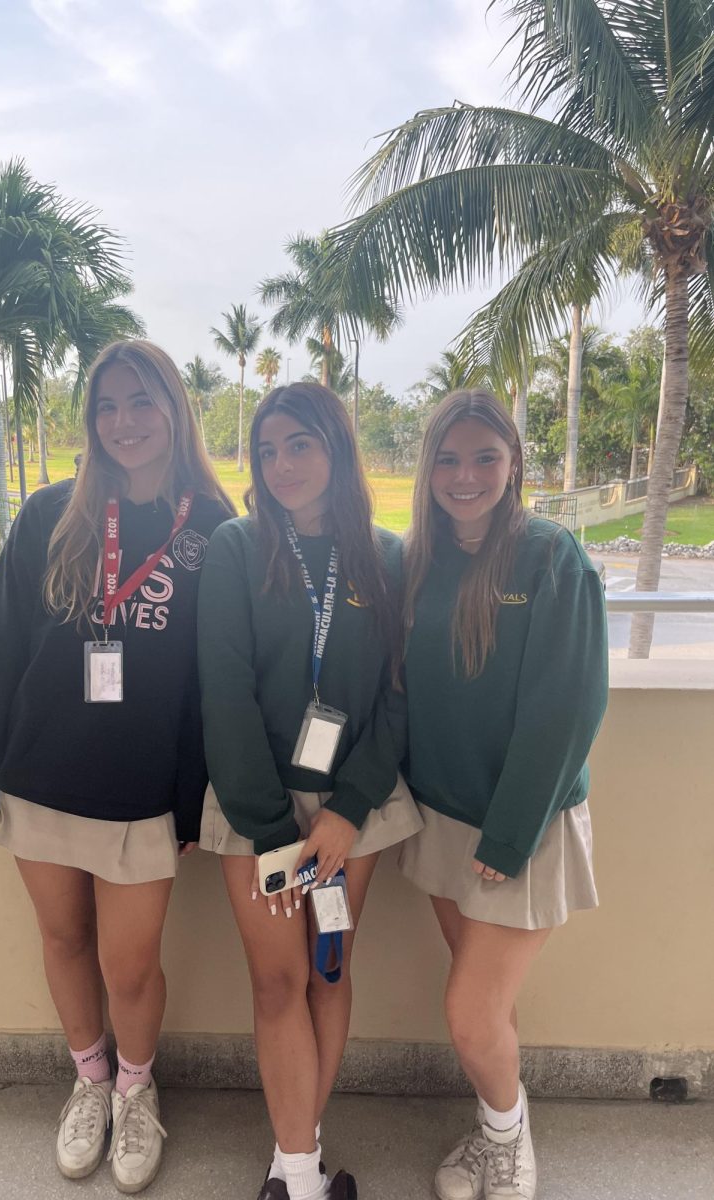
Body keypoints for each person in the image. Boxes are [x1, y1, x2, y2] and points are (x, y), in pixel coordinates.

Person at [0, 340, 234, 1191]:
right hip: (39, 778)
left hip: (142, 794)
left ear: (175, 410)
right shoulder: (50, 515)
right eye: (107, 406)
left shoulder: (214, 528)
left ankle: (139, 1093)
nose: (125, 422)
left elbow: (213, 685)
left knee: (130, 965)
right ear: (90, 420)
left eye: (142, 402)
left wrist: (191, 802)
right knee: (63, 938)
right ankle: (91, 1081)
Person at [197, 383, 422, 1200]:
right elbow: (223, 692)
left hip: (349, 808)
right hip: (253, 802)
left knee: (328, 969)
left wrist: (347, 813)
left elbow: (401, 694)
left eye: (301, 444)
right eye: (267, 449)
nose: (283, 464)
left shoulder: (387, 556)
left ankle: (297, 1156)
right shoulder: (235, 547)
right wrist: (270, 833)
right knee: (276, 981)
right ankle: (299, 1174)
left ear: (337, 447)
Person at [397, 390, 608, 1200]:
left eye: (486, 456)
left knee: (467, 1013)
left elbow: (568, 709)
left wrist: (508, 837)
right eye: (449, 459)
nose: (466, 475)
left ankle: (508, 1144)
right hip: (441, 819)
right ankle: (499, 1130)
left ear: (515, 462)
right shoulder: (416, 559)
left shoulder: (554, 559)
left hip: (521, 827)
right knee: (485, 1005)